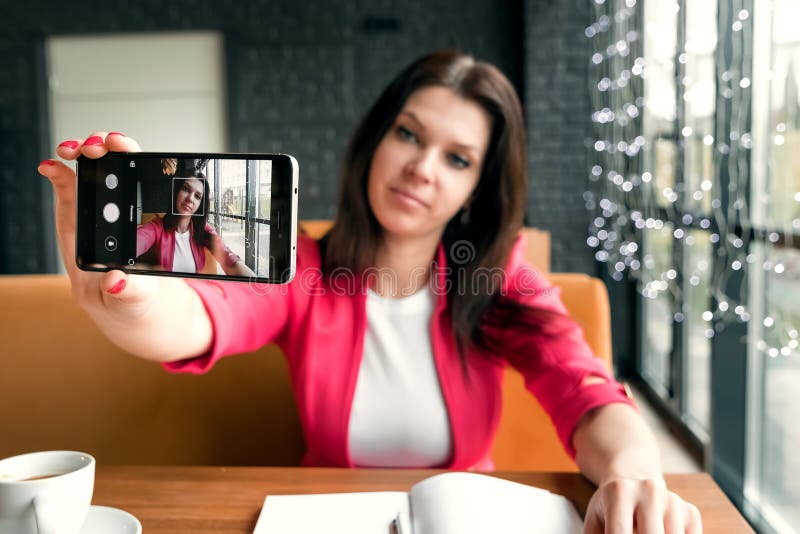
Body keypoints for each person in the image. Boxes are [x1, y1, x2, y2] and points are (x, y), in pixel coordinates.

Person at [38, 50, 701, 533]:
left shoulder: (499, 278)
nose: (420, 167)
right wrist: (131, 299)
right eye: (408, 133)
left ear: (479, 188)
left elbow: (583, 389)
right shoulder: (301, 266)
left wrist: (634, 473)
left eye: (457, 158)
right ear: (376, 140)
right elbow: (199, 316)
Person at [135, 170, 254, 278]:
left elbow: (229, 259)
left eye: (197, 196)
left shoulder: (204, 230)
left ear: (200, 205)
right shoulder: (158, 227)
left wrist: (257, 283)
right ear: (176, 192)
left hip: (195, 297)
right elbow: (139, 239)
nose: (190, 199)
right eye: (186, 189)